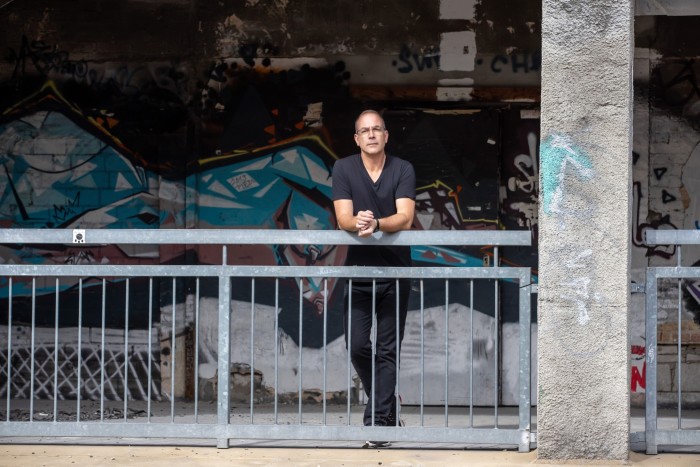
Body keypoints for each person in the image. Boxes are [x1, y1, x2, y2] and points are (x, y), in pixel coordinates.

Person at [331, 109, 416, 438]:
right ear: (357, 138)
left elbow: (405, 217)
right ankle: (387, 401)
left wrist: (377, 223)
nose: (370, 134)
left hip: (396, 272)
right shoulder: (344, 168)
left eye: (376, 129)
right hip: (359, 272)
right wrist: (360, 224)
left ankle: (379, 424)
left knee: (387, 350)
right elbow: (343, 218)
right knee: (356, 346)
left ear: (385, 136)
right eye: (364, 130)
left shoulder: (402, 169)